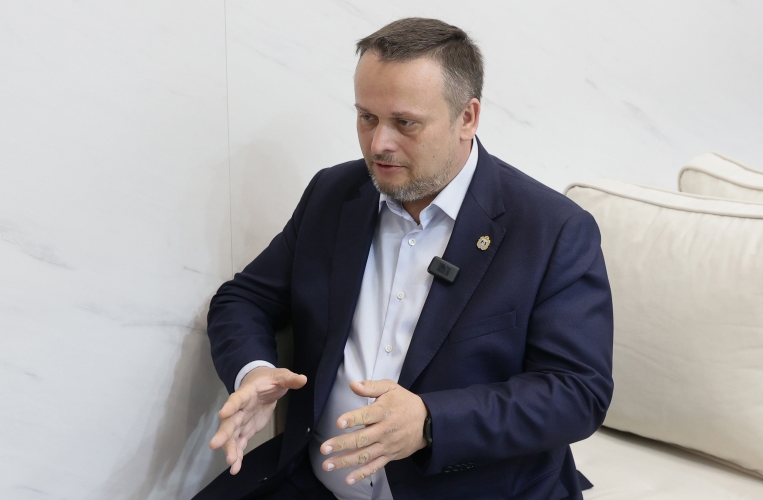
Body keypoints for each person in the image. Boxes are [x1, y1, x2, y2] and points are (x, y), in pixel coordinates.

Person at [197, 17, 613, 500]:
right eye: (366, 118)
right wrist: (255, 372)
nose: (379, 144)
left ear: (467, 118)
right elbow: (244, 299)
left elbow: (577, 392)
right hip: (313, 481)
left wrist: (431, 421)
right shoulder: (334, 194)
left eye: (405, 123)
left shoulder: (552, 229)